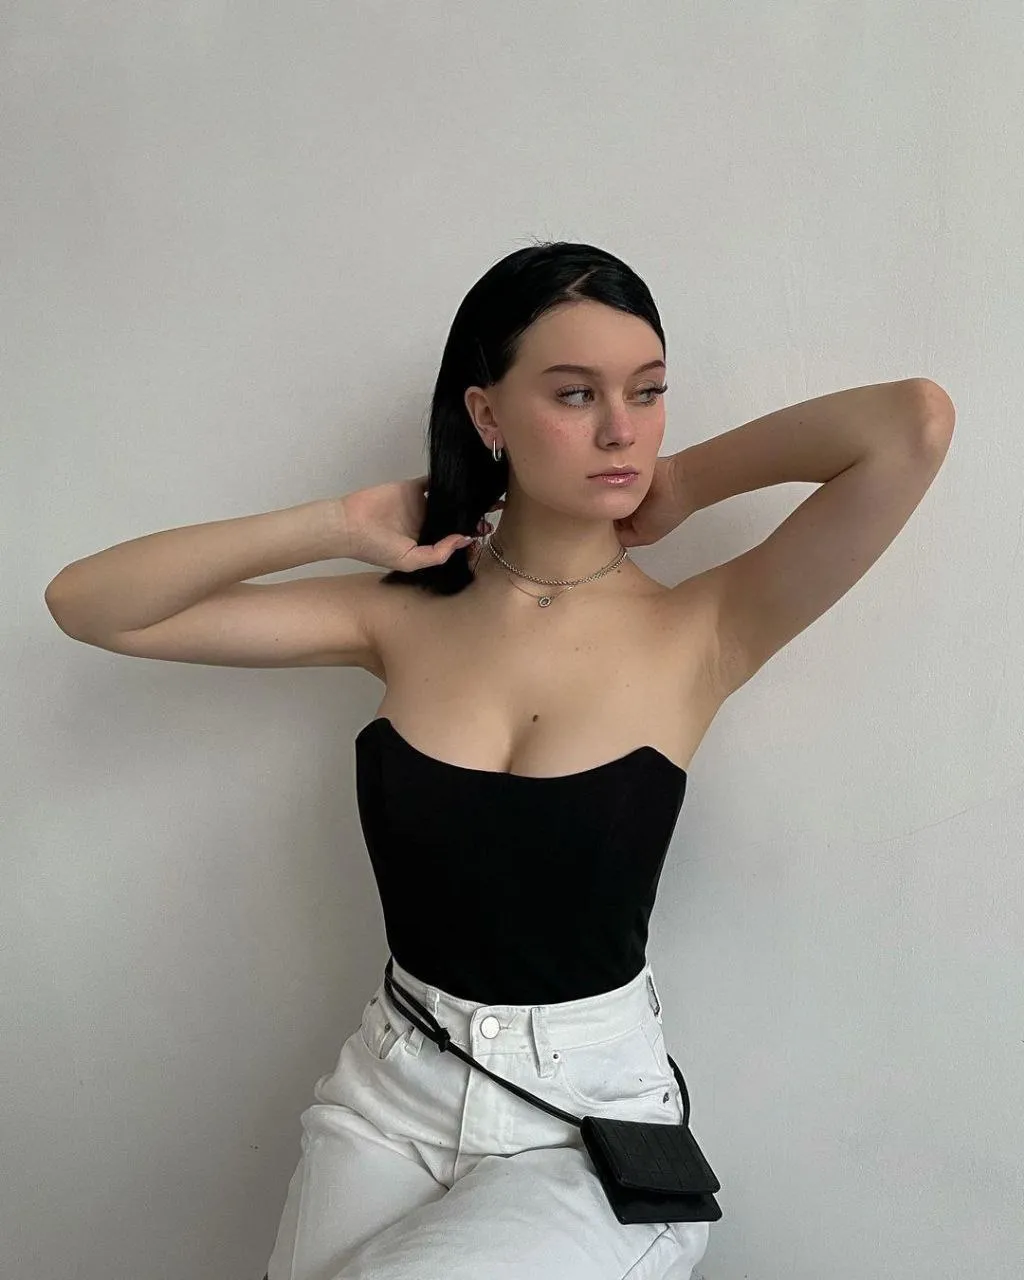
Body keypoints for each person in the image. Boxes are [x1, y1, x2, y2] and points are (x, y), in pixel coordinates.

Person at [46, 238, 951, 1277]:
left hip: (588, 1118)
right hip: (392, 1086)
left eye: (648, 391)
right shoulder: (399, 614)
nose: (621, 430)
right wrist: (335, 523)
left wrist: (685, 481)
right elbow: (92, 605)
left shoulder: (703, 629)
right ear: (488, 414)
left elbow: (911, 424)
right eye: (575, 394)